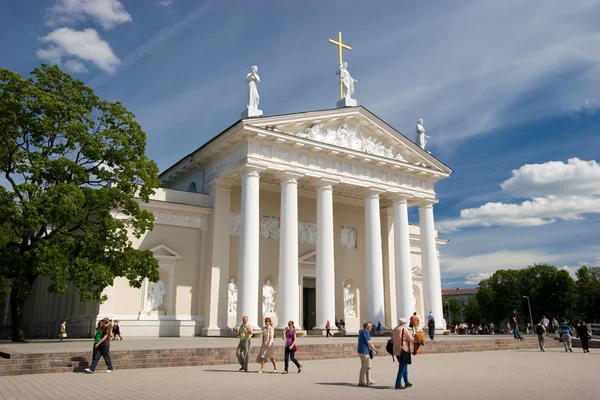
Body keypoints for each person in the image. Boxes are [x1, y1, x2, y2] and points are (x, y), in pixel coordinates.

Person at [391, 318, 414, 390]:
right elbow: (411, 339)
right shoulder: (404, 329)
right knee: (402, 367)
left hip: (396, 350)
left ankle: (406, 382)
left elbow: (391, 340)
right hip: (403, 350)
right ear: (405, 324)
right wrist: (418, 339)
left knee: (404, 366)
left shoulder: (395, 329)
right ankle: (398, 384)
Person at [357, 321, 377, 387]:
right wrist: (374, 349)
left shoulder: (363, 332)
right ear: (366, 326)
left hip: (363, 351)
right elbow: (369, 342)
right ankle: (361, 382)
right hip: (364, 351)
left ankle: (369, 380)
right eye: (370, 326)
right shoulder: (366, 332)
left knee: (368, 366)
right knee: (364, 366)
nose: (371, 327)